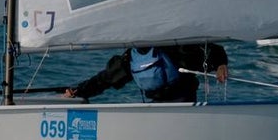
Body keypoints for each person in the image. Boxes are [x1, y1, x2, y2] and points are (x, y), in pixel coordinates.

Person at [63, 43, 229, 103]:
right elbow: (105, 78)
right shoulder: (132, 56)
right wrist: (79, 91)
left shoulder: (173, 47)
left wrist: (221, 64)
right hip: (157, 104)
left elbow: (212, 49)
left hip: (184, 104)